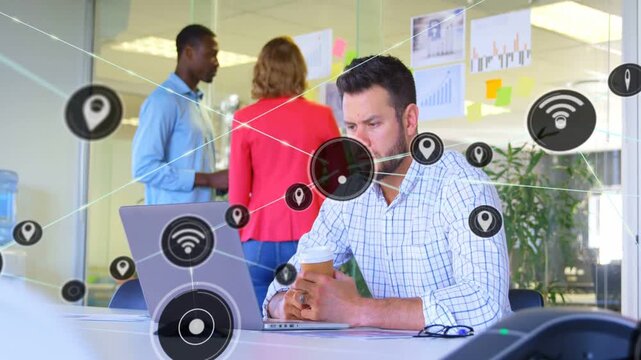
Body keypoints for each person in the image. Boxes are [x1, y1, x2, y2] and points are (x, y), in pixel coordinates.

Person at [263, 55, 511, 331]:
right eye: (352, 127)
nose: (360, 142)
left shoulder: (461, 185)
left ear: (410, 120)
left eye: (373, 124)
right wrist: (285, 304)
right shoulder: (350, 193)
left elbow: (486, 305)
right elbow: (284, 284)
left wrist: (356, 310)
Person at [229, 36, 340, 307]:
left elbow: (238, 192)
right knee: (305, 319)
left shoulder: (244, 119)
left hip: (256, 237)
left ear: (261, 72)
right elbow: (336, 183)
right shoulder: (321, 116)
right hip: (308, 236)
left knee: (255, 324)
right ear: (299, 71)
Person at [132, 24, 228, 205]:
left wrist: (218, 182)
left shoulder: (198, 104)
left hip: (199, 220)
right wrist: (209, 179)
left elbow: (195, 168)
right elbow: (144, 168)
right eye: (211, 54)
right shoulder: (163, 101)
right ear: (189, 52)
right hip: (171, 224)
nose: (216, 63)